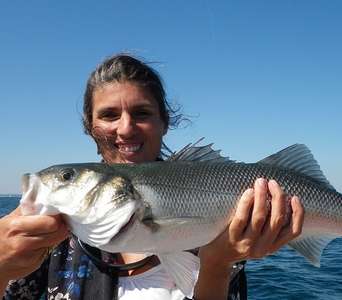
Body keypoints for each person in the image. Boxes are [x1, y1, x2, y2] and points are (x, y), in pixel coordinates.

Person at [0, 54, 304, 300]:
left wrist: (217, 265)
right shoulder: (44, 235)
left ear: (164, 122)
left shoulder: (225, 228)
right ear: (89, 126)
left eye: (142, 113)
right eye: (109, 115)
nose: (126, 128)